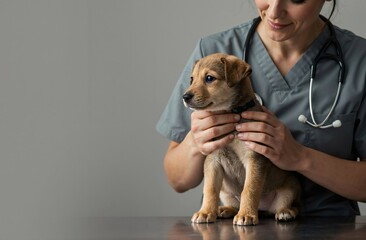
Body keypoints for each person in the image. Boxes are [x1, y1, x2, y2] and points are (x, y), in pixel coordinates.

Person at [156, 0, 366, 216]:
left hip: (332, 228)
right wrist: (196, 141)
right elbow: (177, 180)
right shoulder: (213, 51)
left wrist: (301, 158)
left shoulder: (360, 60)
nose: (274, 11)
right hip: (230, 228)